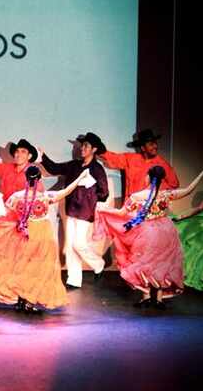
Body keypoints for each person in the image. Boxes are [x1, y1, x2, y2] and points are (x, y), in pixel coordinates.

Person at [0, 165, 90, 312]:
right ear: (39, 179)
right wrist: (80, 178)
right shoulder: (45, 197)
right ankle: (28, 301)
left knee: (22, 267)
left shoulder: (16, 197)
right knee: (37, 269)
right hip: (42, 236)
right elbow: (65, 191)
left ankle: (22, 299)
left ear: (25, 178)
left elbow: (7, 215)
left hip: (23, 234)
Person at [95, 167, 203, 308]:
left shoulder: (137, 196)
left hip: (148, 232)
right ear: (162, 179)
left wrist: (104, 209)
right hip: (166, 231)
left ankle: (146, 296)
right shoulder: (166, 194)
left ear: (148, 177)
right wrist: (201, 174)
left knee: (145, 263)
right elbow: (189, 189)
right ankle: (158, 299)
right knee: (161, 264)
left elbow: (122, 213)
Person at [39, 132, 109, 288]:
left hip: (85, 211)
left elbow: (104, 193)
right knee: (70, 245)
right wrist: (42, 156)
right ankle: (74, 280)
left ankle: (98, 264)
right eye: (82, 145)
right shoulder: (75, 165)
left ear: (94, 149)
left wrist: (90, 193)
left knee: (79, 244)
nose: (82, 148)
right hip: (71, 208)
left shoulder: (97, 169)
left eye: (86, 146)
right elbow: (55, 168)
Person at [99, 129, 179, 198]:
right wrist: (100, 149)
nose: (155, 146)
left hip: (149, 208)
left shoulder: (162, 164)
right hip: (131, 208)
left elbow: (174, 184)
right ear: (143, 148)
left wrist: (156, 188)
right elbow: (114, 158)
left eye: (155, 143)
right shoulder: (131, 159)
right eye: (151, 144)